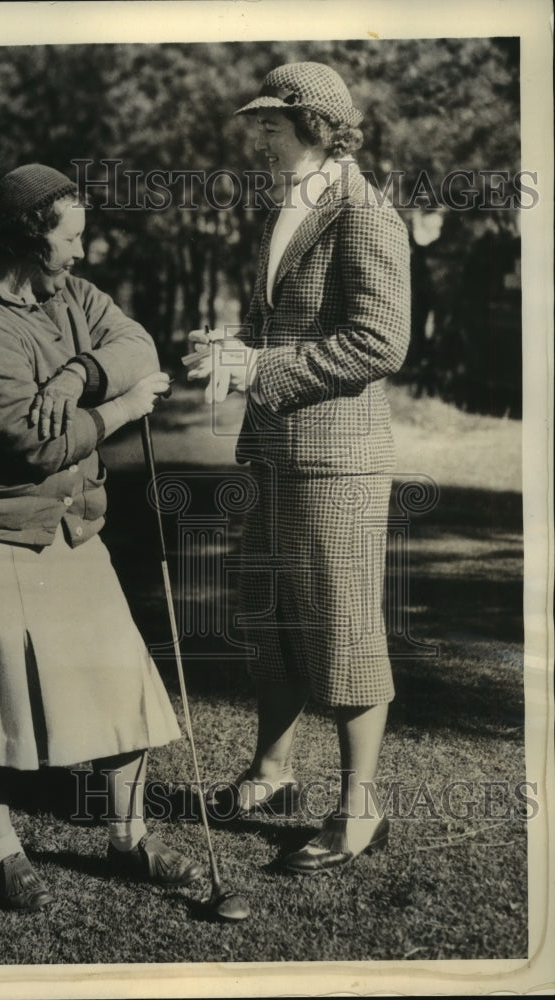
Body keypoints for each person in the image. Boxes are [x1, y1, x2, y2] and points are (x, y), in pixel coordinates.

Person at [0, 163, 204, 911]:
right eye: (71, 236)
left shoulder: (72, 294)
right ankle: (2, 851)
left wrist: (78, 376)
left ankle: (130, 839)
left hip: (69, 525)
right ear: (31, 240)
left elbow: (139, 346)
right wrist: (124, 408)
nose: (82, 250)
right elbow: (36, 448)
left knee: (121, 679)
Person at [185, 62, 411, 872]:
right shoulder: (286, 204)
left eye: (272, 121)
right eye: (259, 120)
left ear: (316, 124)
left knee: (342, 631)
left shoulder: (364, 212)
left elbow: (383, 340)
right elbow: (278, 321)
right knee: (271, 622)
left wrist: (265, 372)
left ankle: (358, 811)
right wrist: (234, 348)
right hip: (275, 454)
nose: (260, 132)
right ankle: (271, 774)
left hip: (336, 463)